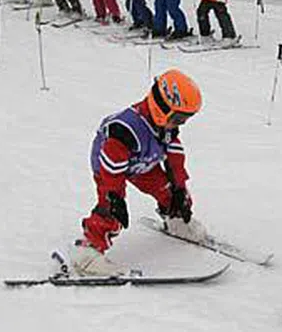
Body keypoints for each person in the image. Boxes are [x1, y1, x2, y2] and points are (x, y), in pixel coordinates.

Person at [68, 69, 208, 276]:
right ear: (161, 105)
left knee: (171, 193)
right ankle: (87, 254)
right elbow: (112, 168)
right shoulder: (125, 129)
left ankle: (176, 221)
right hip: (108, 166)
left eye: (184, 120)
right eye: (178, 118)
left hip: (143, 162)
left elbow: (175, 155)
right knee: (111, 210)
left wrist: (179, 187)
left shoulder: (165, 126)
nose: (180, 124)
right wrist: (115, 196)